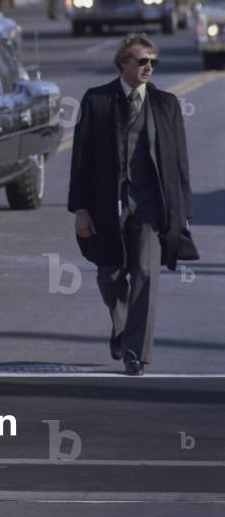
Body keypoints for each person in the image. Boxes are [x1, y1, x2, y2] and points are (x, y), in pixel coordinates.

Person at [68, 33, 194, 376]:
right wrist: (81, 210)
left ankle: (135, 353)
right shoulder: (96, 101)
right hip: (106, 205)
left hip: (151, 205)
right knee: (108, 276)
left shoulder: (166, 104)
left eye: (152, 61)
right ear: (122, 64)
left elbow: (179, 162)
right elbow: (80, 159)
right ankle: (122, 326)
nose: (149, 67)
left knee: (145, 273)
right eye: (142, 61)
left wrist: (182, 212)